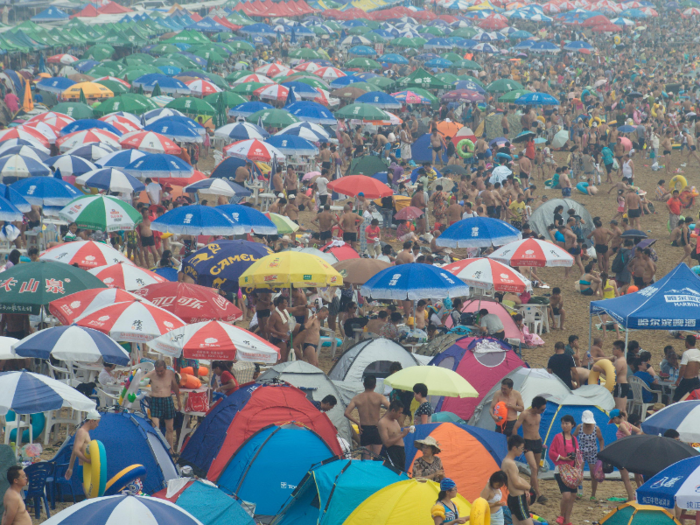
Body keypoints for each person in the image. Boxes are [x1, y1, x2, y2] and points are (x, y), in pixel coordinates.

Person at [344, 375, 390, 458]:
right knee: (378, 457)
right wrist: (382, 419)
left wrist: (357, 422)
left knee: (366, 458)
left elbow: (346, 413)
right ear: (375, 386)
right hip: (376, 427)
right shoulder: (380, 397)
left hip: (364, 429)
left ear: (364, 384)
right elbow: (391, 408)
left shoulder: (357, 398)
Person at [513, 395, 548, 504]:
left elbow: (535, 428)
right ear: (535, 407)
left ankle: (530, 491)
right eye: (542, 409)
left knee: (536, 469)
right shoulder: (525, 414)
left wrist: (540, 440)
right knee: (533, 467)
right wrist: (517, 443)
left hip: (537, 442)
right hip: (527, 443)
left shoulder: (538, 415)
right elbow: (515, 427)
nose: (543, 411)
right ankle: (539, 494)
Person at [144, 360, 182, 451]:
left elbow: (175, 388)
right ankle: (157, 449)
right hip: (155, 400)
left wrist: (179, 401)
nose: (159, 373)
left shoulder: (170, 374)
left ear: (165, 368)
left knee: (170, 428)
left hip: (167, 400)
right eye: (157, 371)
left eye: (161, 371)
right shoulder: (151, 374)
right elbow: (140, 380)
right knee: (156, 427)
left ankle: (170, 450)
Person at [549, 414, 578, 525]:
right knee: (566, 495)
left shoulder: (574, 439)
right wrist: (562, 458)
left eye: (567, 423)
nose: (564, 425)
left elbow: (577, 454)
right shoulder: (558, 437)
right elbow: (552, 452)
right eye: (563, 423)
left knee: (573, 495)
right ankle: (561, 515)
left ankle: (567, 520)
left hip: (572, 470)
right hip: (560, 469)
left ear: (572, 425)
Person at [609, 409, 642, 500]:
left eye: (613, 420)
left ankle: (631, 498)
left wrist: (627, 443)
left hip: (623, 451)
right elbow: (638, 431)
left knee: (625, 478)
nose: (614, 422)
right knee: (637, 475)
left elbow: (629, 436)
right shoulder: (627, 423)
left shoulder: (622, 425)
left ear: (615, 418)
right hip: (630, 450)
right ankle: (635, 495)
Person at [502, 435, 533, 525]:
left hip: (512, 497)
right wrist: (528, 487)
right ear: (515, 448)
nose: (522, 451)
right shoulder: (510, 463)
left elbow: (514, 479)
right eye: (521, 448)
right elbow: (516, 483)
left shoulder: (505, 461)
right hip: (518, 498)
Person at [574, 410, 605, 501]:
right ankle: (579, 492)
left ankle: (593, 494)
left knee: (594, 474)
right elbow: (573, 437)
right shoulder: (579, 427)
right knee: (579, 473)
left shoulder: (596, 428)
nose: (587, 424)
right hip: (581, 452)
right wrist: (574, 448)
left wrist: (601, 450)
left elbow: (601, 439)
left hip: (593, 452)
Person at [65, 410, 101, 482]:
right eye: (97, 422)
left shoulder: (83, 432)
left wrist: (70, 467)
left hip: (85, 467)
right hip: (84, 467)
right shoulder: (82, 432)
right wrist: (87, 461)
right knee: (89, 493)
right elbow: (76, 450)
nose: (97, 425)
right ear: (91, 421)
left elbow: (74, 451)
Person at [377, 400, 410, 470]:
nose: (400, 415)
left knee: (401, 473)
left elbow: (396, 435)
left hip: (400, 451)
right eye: (399, 413)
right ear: (393, 410)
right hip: (392, 452)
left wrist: (404, 432)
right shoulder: (383, 422)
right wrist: (402, 435)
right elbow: (386, 443)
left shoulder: (395, 420)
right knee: (395, 472)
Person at [675, 334, 700, 402]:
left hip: (687, 381)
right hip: (696, 380)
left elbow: (683, 368)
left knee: (676, 399)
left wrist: (678, 380)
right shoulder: (698, 352)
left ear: (687, 342)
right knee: (693, 400)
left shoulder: (686, 353)